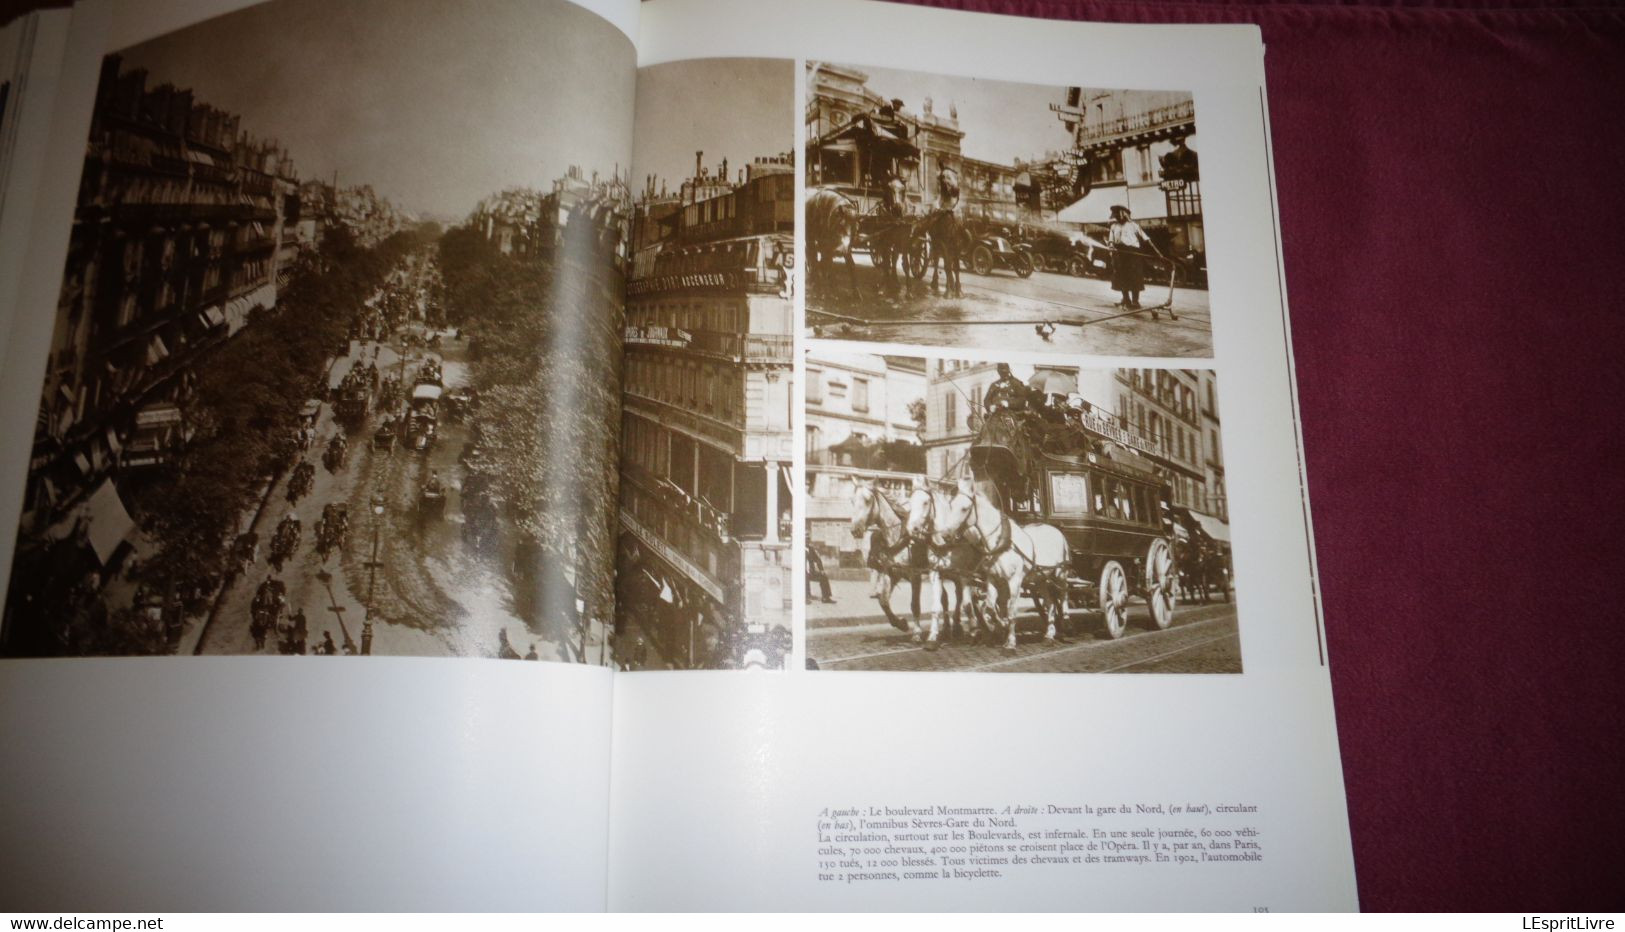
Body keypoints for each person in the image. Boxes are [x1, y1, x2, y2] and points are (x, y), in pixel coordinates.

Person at [1107, 205, 1157, 309]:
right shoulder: (1113, 226)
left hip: (1133, 254)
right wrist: (1111, 246)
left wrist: (1155, 250)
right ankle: (1126, 299)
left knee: (1135, 277)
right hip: (1120, 253)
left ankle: (1135, 301)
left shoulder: (1134, 225)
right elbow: (1111, 240)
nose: (1117, 216)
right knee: (1121, 277)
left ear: (1124, 214)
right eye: (1115, 214)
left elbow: (1145, 238)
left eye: (1119, 213)